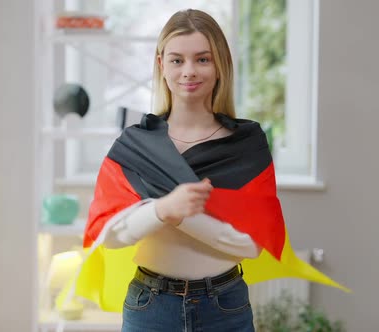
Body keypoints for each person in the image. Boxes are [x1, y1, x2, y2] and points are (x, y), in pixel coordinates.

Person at [68, 8, 347, 332]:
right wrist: (162, 209)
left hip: (224, 307)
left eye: (202, 59)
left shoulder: (246, 145)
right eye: (177, 60)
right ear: (161, 65)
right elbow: (110, 236)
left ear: (220, 66)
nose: (189, 71)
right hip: (150, 307)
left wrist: (182, 216)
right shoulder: (134, 145)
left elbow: (252, 244)